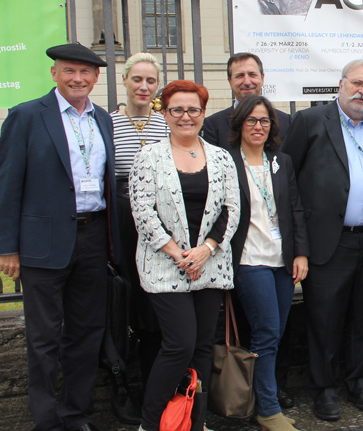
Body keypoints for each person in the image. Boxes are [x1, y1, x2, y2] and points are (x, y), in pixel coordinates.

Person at [0, 43, 119, 431]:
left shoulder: (103, 119)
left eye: (85, 73)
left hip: (93, 238)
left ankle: (75, 413)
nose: (77, 79)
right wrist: (7, 248)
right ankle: (47, 420)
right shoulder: (27, 116)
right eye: (69, 71)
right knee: (44, 337)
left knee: (86, 332)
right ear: (54, 74)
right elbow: (7, 184)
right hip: (43, 244)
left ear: (96, 78)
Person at [281, 60, 363, 422]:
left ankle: (359, 381)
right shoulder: (310, 121)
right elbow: (288, 180)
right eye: (356, 83)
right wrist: (297, 243)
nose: (362, 91)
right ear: (340, 84)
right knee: (325, 319)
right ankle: (324, 388)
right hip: (328, 240)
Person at [129, 80, 240, 431]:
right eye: (177, 109)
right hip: (165, 265)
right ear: (165, 114)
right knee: (179, 344)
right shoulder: (148, 157)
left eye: (193, 109)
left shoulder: (221, 157)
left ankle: (194, 423)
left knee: (202, 346)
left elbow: (232, 209)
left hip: (210, 264)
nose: (186, 116)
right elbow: (143, 212)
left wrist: (206, 250)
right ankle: (150, 424)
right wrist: (180, 255)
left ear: (203, 113)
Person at [227, 95, 309, 430]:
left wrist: (301, 253)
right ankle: (268, 410)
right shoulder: (226, 161)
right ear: (240, 124)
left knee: (274, 334)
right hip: (249, 261)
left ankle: (262, 401)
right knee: (266, 333)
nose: (258, 127)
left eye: (264, 121)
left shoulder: (281, 161)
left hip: (282, 261)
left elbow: (295, 209)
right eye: (251, 120)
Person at [112, 52, 169, 395]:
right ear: (124, 81)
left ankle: (155, 385)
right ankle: (120, 384)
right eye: (137, 79)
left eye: (150, 80)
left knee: (154, 304)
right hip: (122, 221)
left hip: (162, 220)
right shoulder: (108, 124)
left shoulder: (166, 123)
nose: (143, 86)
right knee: (124, 300)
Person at [202, 52, 292, 146]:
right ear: (230, 81)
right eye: (240, 76)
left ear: (262, 78)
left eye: (252, 75)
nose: (247, 82)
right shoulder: (213, 125)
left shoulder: (285, 121)